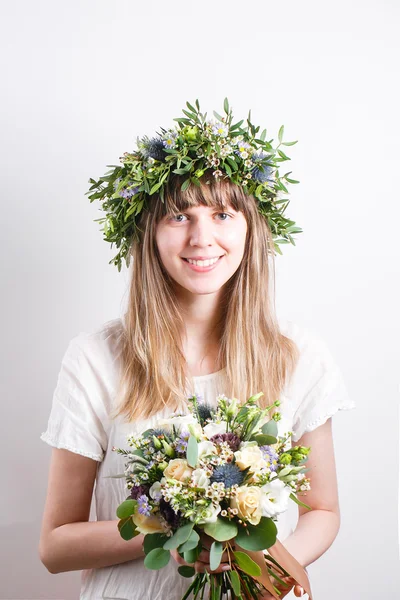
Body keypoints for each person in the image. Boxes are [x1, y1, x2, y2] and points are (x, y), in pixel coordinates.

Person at [38, 101, 356, 600]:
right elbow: (55, 547)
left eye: (223, 214)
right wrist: (174, 529)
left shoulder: (300, 357)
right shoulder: (95, 360)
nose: (201, 238)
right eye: (178, 215)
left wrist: (273, 563)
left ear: (251, 228)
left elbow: (324, 510)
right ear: (149, 233)